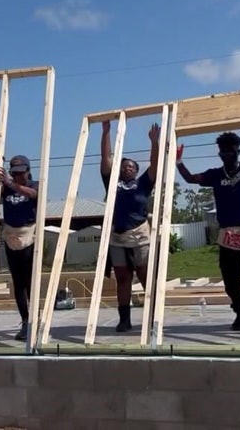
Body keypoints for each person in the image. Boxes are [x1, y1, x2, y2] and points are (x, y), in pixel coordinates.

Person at [177, 128, 240, 331]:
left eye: (231, 150)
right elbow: (192, 179)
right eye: (223, 151)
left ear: (238, 151)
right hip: (228, 233)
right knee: (230, 276)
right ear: (219, 153)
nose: (227, 154)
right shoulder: (215, 175)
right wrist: (178, 162)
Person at [100, 121, 160, 333]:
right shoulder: (113, 183)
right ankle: (124, 319)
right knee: (123, 279)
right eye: (124, 165)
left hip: (139, 236)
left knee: (145, 276)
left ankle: (152, 318)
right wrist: (106, 132)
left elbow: (155, 164)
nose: (127, 167)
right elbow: (106, 160)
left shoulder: (143, 183)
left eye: (131, 166)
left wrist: (154, 142)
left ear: (136, 170)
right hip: (118, 238)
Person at [0, 154, 40, 341]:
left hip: (28, 234)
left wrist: (11, 184)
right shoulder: (6, 188)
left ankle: (35, 321)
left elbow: (33, 195)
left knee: (31, 281)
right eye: (15, 174)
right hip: (11, 235)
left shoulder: (34, 185)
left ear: (28, 171)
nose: (18, 176)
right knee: (18, 282)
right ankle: (25, 320)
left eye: (21, 173)